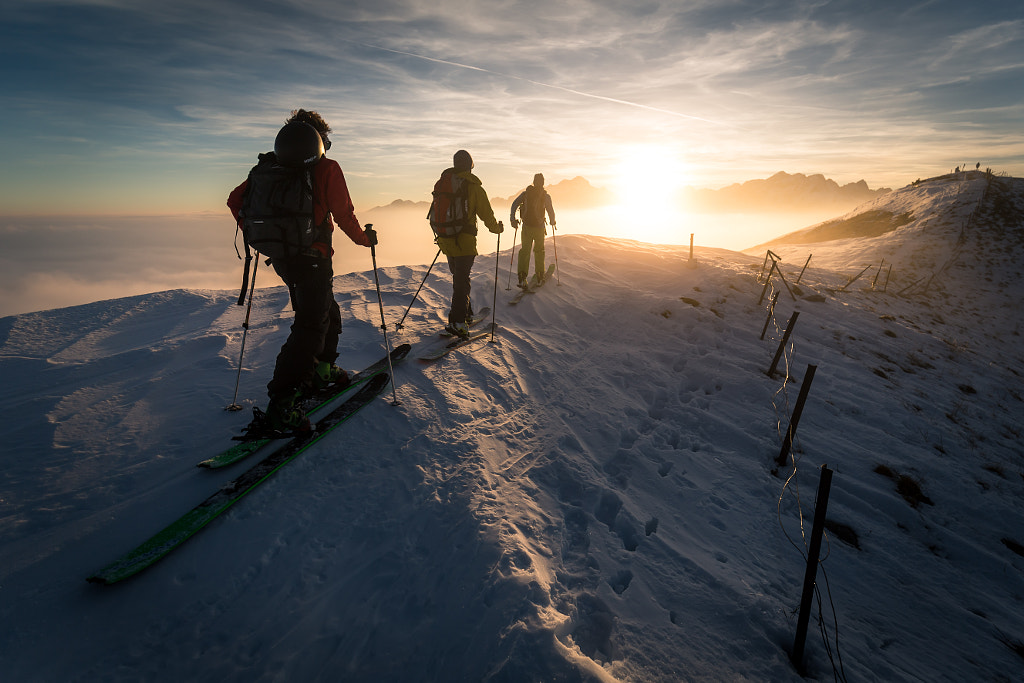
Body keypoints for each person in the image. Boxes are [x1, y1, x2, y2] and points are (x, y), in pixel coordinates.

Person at [227, 109, 376, 431]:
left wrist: (256, 232)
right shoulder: (325, 168)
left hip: (283, 258)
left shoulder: (267, 168)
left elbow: (234, 201)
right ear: (320, 141)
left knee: (324, 309)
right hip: (313, 256)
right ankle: (282, 403)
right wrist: (366, 240)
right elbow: (344, 213)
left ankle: (323, 369)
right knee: (310, 324)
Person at [435, 149, 503, 336]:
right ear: (470, 166)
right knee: (461, 282)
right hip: (463, 242)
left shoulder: (444, 184)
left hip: (446, 240)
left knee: (460, 279)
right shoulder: (474, 188)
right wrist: (497, 228)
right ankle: (457, 322)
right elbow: (487, 216)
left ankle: (465, 313)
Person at [510, 173, 556, 288]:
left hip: (526, 227)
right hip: (539, 228)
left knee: (525, 251)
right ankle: (540, 276)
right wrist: (552, 221)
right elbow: (550, 209)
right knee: (539, 251)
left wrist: (513, 219)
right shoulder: (545, 196)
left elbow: (514, 204)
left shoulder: (526, 194)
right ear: (543, 182)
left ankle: (522, 277)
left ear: (534, 182)